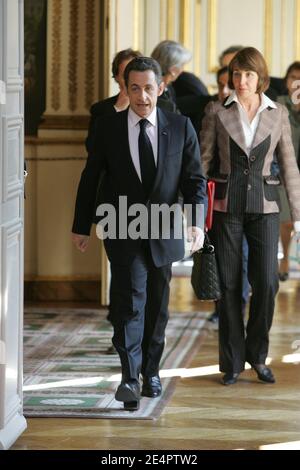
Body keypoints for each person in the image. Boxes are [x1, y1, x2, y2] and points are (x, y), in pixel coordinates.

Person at [72, 57, 207, 410]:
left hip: (164, 228)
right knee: (130, 303)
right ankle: (129, 378)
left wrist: (195, 222)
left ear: (161, 88)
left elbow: (194, 181)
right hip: (123, 227)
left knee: (157, 309)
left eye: (149, 88)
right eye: (135, 88)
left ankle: (151, 372)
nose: (142, 96)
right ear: (125, 89)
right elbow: (91, 178)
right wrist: (80, 225)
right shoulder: (108, 127)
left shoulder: (180, 127)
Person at [200, 47, 300, 386]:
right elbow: (202, 164)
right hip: (226, 209)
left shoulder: (278, 113)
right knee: (228, 287)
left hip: (266, 208)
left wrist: (297, 215)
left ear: (261, 79)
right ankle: (231, 362)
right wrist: (196, 214)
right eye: (236, 74)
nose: (241, 81)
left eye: (248, 75)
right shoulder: (216, 110)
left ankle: (258, 356)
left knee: (267, 283)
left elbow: (289, 166)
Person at [85, 48, 142, 153]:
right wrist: (118, 109)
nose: (131, 81)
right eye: (125, 76)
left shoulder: (163, 106)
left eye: (136, 74)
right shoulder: (100, 110)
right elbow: (93, 149)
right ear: (116, 77)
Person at [277, 62, 300, 281]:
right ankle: (284, 256)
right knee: (287, 221)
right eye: (293, 77)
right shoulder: (279, 105)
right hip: (286, 172)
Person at [151, 40, 192, 111]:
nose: (182, 70)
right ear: (172, 69)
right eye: (182, 65)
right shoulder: (152, 90)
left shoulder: (169, 88)